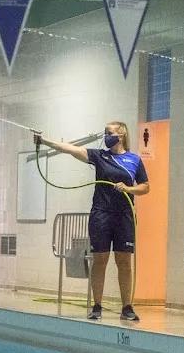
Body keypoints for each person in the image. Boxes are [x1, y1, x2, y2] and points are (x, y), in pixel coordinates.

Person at [34, 121, 149, 321]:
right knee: (100, 260)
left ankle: (127, 307)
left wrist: (129, 189)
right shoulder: (100, 156)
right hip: (101, 215)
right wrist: (44, 141)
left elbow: (145, 186)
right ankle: (97, 306)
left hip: (124, 216)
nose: (106, 136)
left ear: (121, 135)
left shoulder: (134, 160)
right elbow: (70, 149)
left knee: (124, 262)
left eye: (109, 132)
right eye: (105, 132)